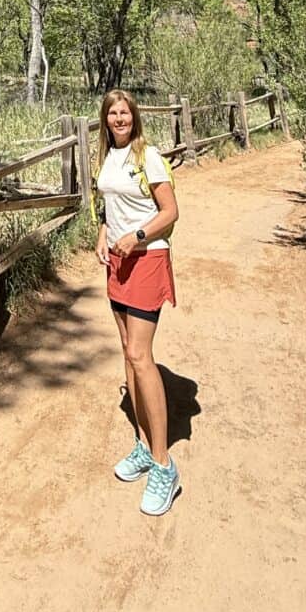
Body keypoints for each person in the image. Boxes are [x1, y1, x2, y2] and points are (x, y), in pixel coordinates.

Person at [94, 88, 181, 516]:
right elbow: (107, 205)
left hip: (146, 259)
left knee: (140, 356)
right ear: (105, 120)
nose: (119, 119)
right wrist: (103, 235)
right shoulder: (108, 158)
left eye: (125, 113)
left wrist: (138, 236)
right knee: (127, 356)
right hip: (116, 262)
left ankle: (164, 465)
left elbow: (170, 211)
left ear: (135, 117)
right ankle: (145, 445)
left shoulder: (149, 155)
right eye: (112, 114)